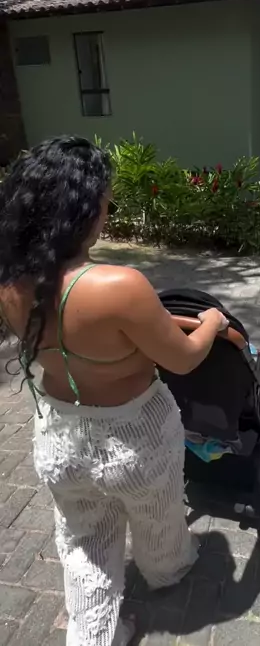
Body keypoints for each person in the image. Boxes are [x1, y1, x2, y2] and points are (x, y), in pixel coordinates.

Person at [0, 135, 228, 646]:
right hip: (136, 438)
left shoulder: (10, 283)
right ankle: (167, 571)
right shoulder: (120, 286)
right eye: (106, 202)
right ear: (83, 208)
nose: (108, 212)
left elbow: (75, 326)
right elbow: (183, 358)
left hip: (59, 438)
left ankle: (93, 635)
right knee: (158, 518)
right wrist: (212, 323)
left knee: (85, 542)